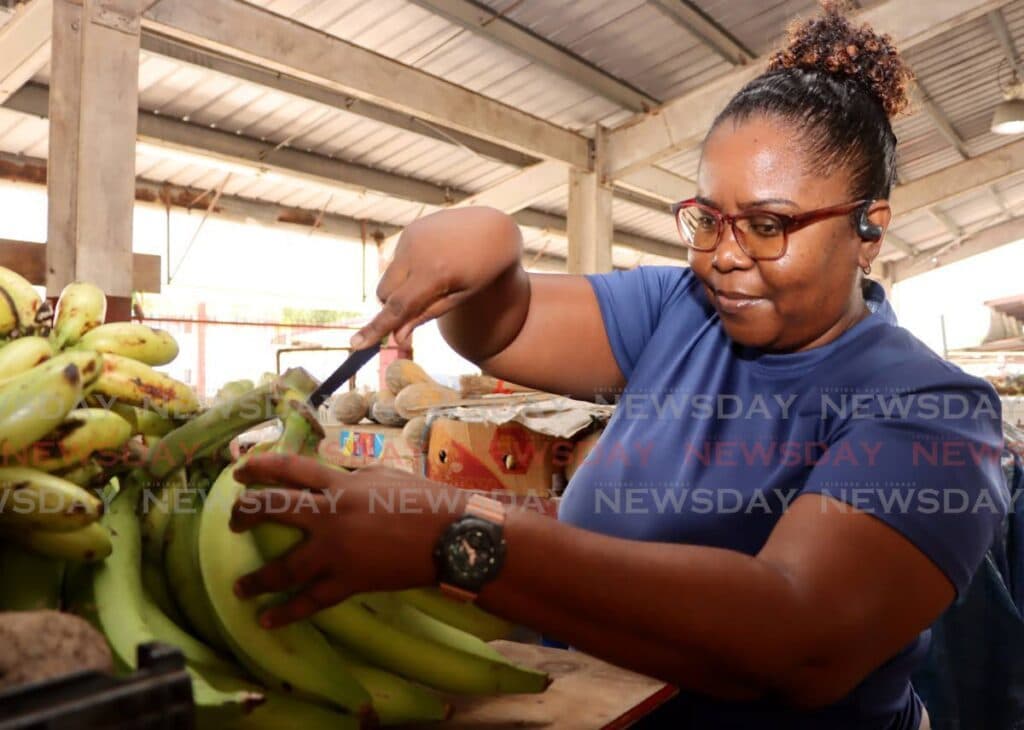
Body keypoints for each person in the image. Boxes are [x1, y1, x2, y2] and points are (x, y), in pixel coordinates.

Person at [228, 4, 1007, 728]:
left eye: (769, 226)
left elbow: (796, 640)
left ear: (870, 230)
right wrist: (488, 242)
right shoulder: (682, 311)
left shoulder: (929, 409)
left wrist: (461, 537)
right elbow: (505, 324)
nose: (725, 258)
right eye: (707, 220)